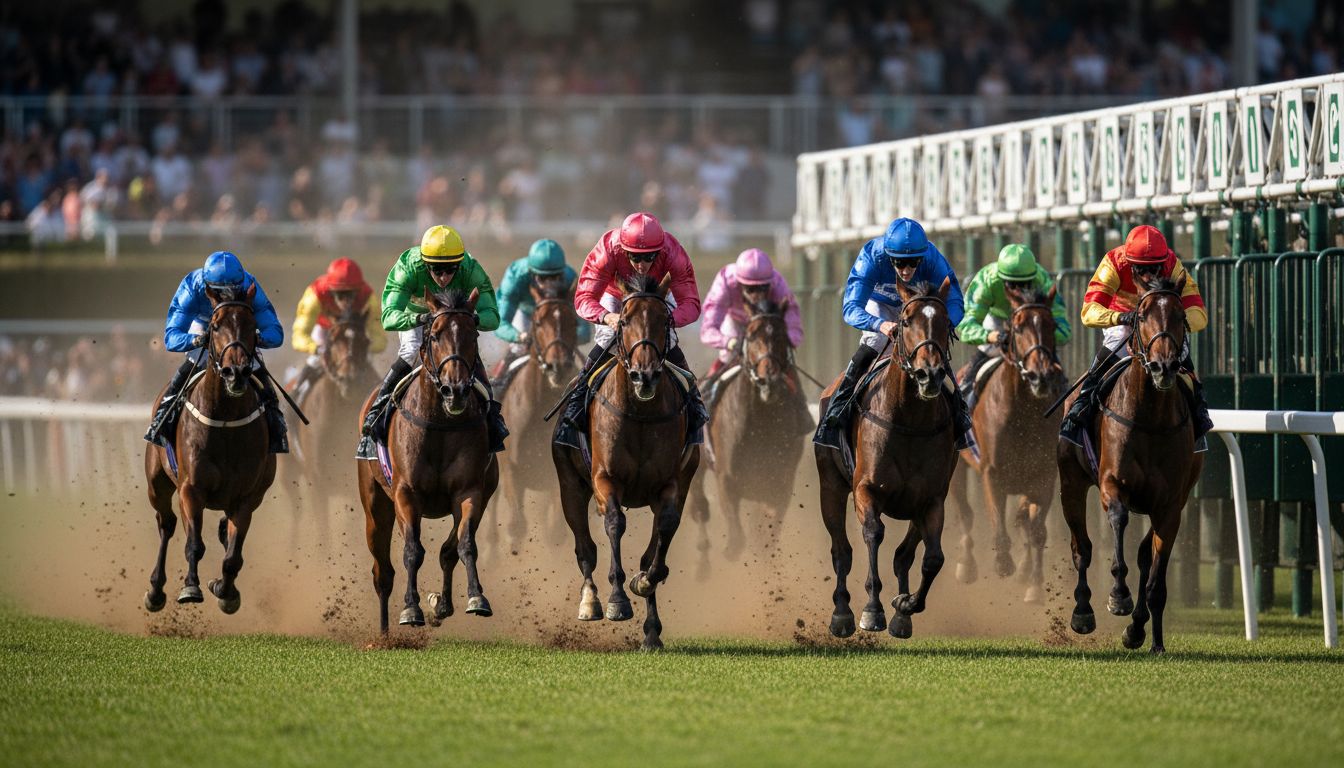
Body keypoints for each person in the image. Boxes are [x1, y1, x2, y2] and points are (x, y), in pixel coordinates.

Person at [813, 217, 970, 451]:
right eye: (899, 262)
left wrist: (942, 326)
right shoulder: (871, 257)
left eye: (913, 262)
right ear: (888, 256)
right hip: (880, 306)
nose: (906, 270)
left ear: (922, 256)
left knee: (933, 352)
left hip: (918, 306)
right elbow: (851, 307)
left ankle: (959, 417)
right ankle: (835, 414)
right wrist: (879, 324)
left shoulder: (932, 258)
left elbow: (956, 300)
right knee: (874, 341)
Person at [554, 211, 707, 448]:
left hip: (655, 298)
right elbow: (584, 298)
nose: (642, 265)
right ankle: (575, 404)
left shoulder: (673, 252)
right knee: (606, 339)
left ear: (660, 250)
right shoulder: (607, 249)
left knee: (670, 340)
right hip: (615, 296)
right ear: (623, 250)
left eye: (650, 258)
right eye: (635, 257)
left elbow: (691, 304)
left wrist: (667, 320)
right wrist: (607, 317)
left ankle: (695, 404)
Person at [356, 225, 506, 458]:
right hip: (415, 316)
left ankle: (493, 418)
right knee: (409, 350)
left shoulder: (471, 269)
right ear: (425, 264)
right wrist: (421, 318)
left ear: (460, 264)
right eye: (437, 270)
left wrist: (472, 318)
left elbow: (493, 316)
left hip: (454, 317)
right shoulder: (407, 269)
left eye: (451, 269)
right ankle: (377, 410)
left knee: (465, 355)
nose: (444, 276)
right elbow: (388, 317)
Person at [1059, 224, 1212, 446]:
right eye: (1140, 269)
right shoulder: (1113, 262)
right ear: (1129, 263)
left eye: (1155, 269)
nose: (1149, 275)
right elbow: (1088, 312)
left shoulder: (1173, 265)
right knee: (1107, 355)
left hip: (1160, 324)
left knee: (1183, 359)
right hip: (1123, 320)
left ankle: (1199, 416)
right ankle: (1079, 410)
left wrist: (1171, 320)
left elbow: (1199, 314)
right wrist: (1121, 318)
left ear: (1164, 263)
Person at [144, 250, 288, 452]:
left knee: (257, 371)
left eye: (232, 290)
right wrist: (198, 340)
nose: (226, 296)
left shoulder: (249, 285)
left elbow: (275, 332)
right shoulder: (191, 287)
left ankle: (276, 425)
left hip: (237, 329)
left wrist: (257, 339)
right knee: (195, 362)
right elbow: (171, 337)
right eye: (220, 292)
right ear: (208, 287)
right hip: (203, 325)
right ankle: (162, 418)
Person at [956, 243, 1071, 405]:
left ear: (1033, 277)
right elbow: (965, 326)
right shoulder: (986, 280)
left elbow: (1064, 329)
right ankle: (964, 402)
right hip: (997, 322)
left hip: (1031, 327)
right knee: (966, 385)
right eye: (1012, 285)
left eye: (1024, 285)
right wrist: (991, 336)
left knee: (1063, 386)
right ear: (1001, 279)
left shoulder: (1042, 280)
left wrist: (1044, 336)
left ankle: (1069, 414)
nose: (1018, 291)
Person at [699, 247, 803, 410]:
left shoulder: (778, 284)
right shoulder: (725, 282)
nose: (757, 294)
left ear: (770, 283)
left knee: (783, 360)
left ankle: (801, 410)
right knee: (727, 357)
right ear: (739, 283)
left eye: (762, 288)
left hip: (766, 325)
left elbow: (793, 324)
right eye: (750, 289)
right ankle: (704, 400)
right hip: (735, 322)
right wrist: (730, 343)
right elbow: (708, 330)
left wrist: (788, 342)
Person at [491, 238, 592, 384]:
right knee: (518, 348)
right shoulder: (516, 277)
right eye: (543, 278)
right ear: (532, 274)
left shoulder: (571, 279)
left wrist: (565, 337)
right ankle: (498, 384)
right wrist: (520, 336)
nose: (549, 284)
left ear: (562, 273)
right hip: (525, 314)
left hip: (556, 320)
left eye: (555, 277)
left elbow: (585, 331)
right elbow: (500, 323)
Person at [290, 258, 386, 400]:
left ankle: (382, 400)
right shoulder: (314, 295)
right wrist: (316, 348)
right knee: (314, 360)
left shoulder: (369, 298)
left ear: (358, 291)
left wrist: (364, 347)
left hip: (354, 335)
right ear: (330, 291)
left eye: (351, 295)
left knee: (369, 368)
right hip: (324, 331)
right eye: (340, 295)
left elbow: (380, 339)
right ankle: (296, 394)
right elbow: (299, 336)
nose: (346, 301)